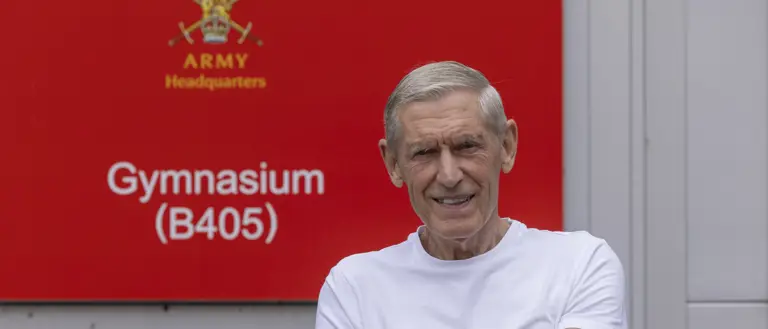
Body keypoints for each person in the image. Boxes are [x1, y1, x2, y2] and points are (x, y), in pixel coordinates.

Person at [315, 61, 627, 329]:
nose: (449, 176)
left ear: (506, 146)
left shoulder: (578, 266)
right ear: (394, 164)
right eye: (425, 152)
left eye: (467, 146)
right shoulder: (354, 287)